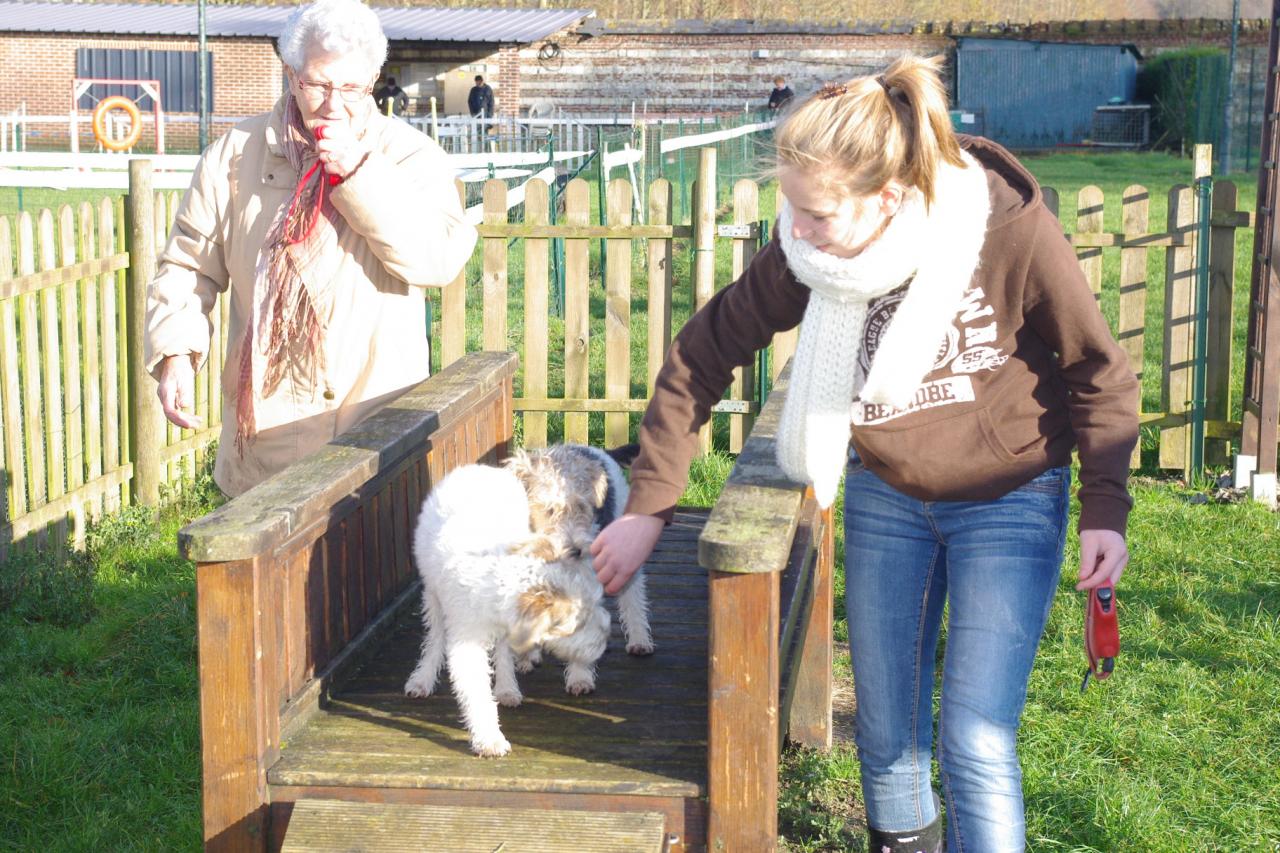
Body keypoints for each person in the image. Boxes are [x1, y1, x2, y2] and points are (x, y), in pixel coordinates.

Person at [590, 54, 1138, 853]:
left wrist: (1106, 509)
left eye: (815, 215)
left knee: (975, 738)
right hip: (889, 496)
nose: (796, 232)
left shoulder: (1004, 226)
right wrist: (649, 507)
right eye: (790, 208)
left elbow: (1098, 367)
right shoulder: (807, 253)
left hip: (1011, 495)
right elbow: (700, 356)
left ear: (889, 198)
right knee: (887, 736)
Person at [144, 0, 477, 498]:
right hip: (264, 440)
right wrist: (174, 353)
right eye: (318, 84)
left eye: (352, 88)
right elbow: (189, 266)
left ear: (372, 82)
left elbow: (437, 260)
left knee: (368, 572)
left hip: (374, 427)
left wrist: (359, 175)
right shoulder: (234, 155)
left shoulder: (408, 156)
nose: (333, 104)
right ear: (291, 73)